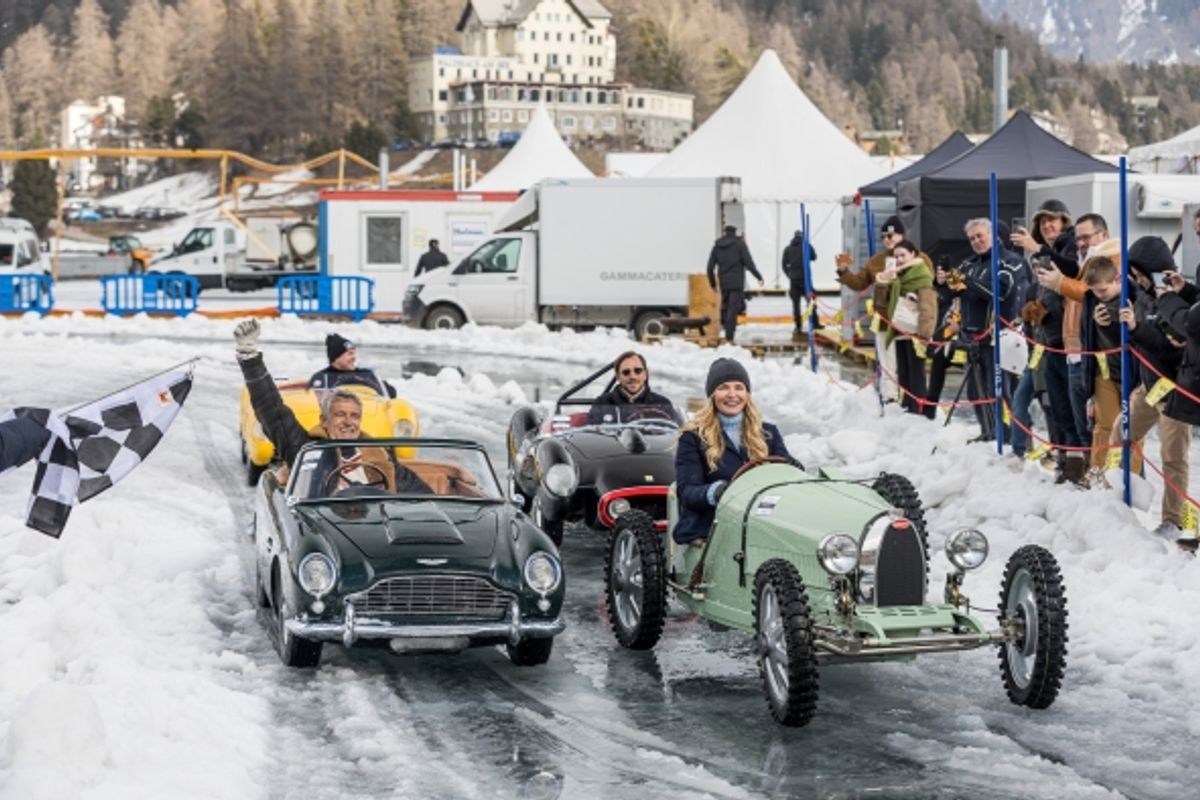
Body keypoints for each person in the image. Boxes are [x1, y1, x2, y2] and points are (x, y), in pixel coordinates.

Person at [234, 319, 430, 495]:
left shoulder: (378, 454)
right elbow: (271, 410)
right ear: (324, 421)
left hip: (374, 522)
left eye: (354, 416)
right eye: (340, 414)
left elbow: (418, 492)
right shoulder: (305, 449)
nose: (348, 422)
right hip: (320, 522)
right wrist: (250, 359)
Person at [1115, 236, 1191, 538]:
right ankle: (1116, 494)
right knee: (1120, 434)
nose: (1137, 278)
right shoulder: (1140, 295)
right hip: (1149, 386)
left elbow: (1170, 348)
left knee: (1173, 457)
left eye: (1139, 272)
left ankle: (1173, 520)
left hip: (1175, 391)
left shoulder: (1176, 298)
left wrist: (1136, 329)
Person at [673, 358, 794, 545]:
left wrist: (791, 466)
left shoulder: (768, 433)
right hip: (712, 528)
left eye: (739, 387)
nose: (732, 394)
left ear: (747, 394)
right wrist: (716, 492)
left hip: (762, 522)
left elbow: (789, 472)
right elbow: (687, 492)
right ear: (712, 395)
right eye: (723, 387)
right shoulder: (693, 437)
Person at [953, 218, 1024, 441]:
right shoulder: (969, 263)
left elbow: (999, 293)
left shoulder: (1010, 261)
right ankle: (989, 433)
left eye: (980, 236)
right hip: (972, 338)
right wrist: (943, 281)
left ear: (993, 235)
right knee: (976, 392)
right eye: (972, 238)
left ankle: (1013, 438)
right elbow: (950, 294)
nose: (976, 241)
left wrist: (967, 281)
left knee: (1002, 391)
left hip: (1000, 338)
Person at [873, 239, 937, 414]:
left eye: (903, 255)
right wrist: (883, 282)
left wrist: (924, 335)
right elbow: (880, 305)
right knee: (903, 370)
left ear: (913, 254)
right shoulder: (897, 277)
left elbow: (928, 307)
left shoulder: (922, 275)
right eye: (896, 256)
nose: (900, 260)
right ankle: (908, 405)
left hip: (916, 331)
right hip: (899, 329)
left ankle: (919, 409)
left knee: (916, 372)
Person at [586, 351, 679, 424]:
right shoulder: (602, 404)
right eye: (626, 372)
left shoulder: (662, 404)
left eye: (638, 371)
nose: (632, 376)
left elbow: (673, 437)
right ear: (618, 377)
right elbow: (594, 438)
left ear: (645, 374)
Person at [707, 225, 763, 343]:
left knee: (726, 308)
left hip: (724, 283)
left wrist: (713, 284)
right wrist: (758, 276)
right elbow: (749, 263)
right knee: (732, 310)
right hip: (737, 283)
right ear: (735, 232)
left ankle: (727, 333)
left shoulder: (717, 246)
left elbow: (710, 267)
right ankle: (729, 337)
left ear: (724, 232)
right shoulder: (740, 245)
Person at [308, 333, 397, 398]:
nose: (354, 358)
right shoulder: (322, 377)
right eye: (349, 354)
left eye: (354, 353)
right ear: (336, 357)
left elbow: (389, 395)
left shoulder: (367, 374)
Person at [782, 230, 817, 337]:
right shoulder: (806, 246)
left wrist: (789, 275)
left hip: (794, 281)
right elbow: (814, 257)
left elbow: (784, 265)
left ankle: (798, 326)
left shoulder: (788, 249)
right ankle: (814, 323)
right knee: (811, 302)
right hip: (805, 280)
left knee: (796, 305)